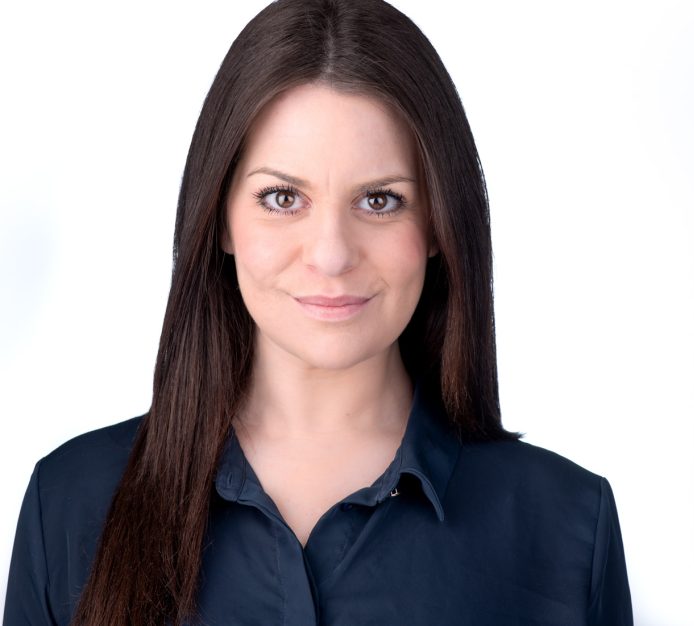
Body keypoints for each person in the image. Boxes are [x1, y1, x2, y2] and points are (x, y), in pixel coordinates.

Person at [3, 0, 633, 624]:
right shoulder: (68, 506)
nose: (331, 255)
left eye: (381, 200)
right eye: (282, 198)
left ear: (440, 223)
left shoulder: (567, 525)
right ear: (220, 218)